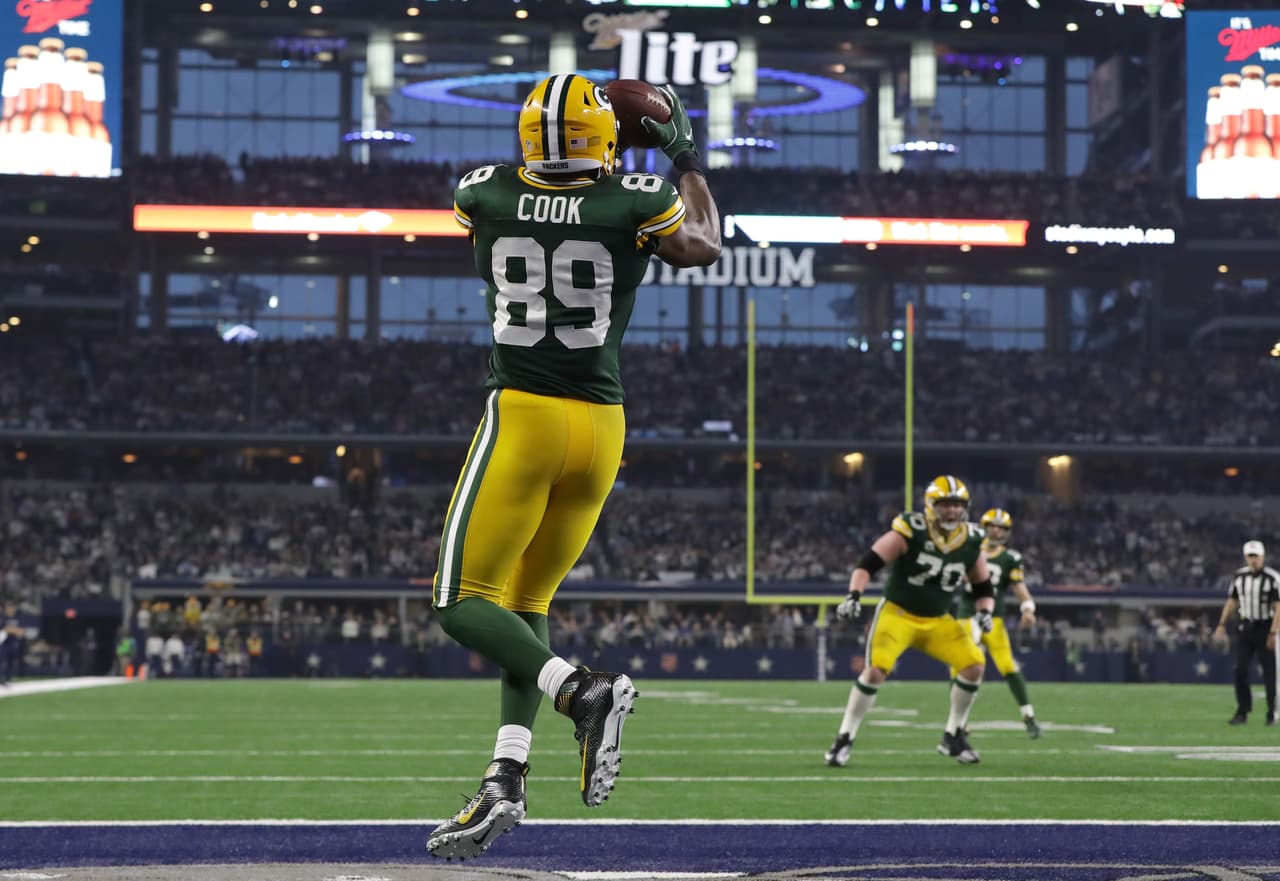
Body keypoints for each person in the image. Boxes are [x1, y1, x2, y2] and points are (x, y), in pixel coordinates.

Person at [426, 73, 721, 861]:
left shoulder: (481, 190)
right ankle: (507, 773)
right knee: (523, 604)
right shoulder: (637, 200)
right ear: (607, 141)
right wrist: (684, 153)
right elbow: (704, 242)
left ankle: (580, 691)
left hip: (522, 413)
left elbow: (511, 216)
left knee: (458, 600)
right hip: (600, 427)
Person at [825, 476, 996, 766]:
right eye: (945, 505)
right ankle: (844, 739)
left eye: (957, 505)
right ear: (931, 506)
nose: (952, 512)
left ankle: (953, 735)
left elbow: (982, 585)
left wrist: (985, 611)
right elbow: (869, 563)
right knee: (876, 672)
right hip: (898, 614)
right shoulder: (911, 530)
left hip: (938, 620)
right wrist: (854, 595)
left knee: (973, 665)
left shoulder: (971, 539)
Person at [951, 508, 1042, 738]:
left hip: (994, 618)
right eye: (992, 526)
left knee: (1008, 666)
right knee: (962, 667)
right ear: (984, 527)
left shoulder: (1010, 558)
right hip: (967, 614)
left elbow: (1019, 588)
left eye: (1001, 528)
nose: (996, 531)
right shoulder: (967, 549)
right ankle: (958, 723)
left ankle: (1028, 716)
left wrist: (1028, 608)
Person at [1213, 540, 1280, 726]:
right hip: (1246, 627)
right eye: (1250, 556)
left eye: (1256, 556)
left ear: (1263, 556)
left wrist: (1274, 632)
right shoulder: (1239, 577)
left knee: (1270, 673)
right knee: (1240, 669)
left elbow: (1278, 606)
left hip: (1266, 627)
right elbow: (1232, 601)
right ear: (1245, 557)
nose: (1253, 560)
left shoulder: (1273, 578)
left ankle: (1271, 713)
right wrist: (1222, 623)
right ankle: (1243, 711)